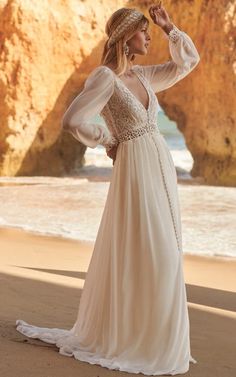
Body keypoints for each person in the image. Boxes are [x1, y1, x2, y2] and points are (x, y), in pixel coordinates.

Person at [16, 1, 200, 375]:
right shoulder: (105, 78)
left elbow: (187, 62)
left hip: (161, 167)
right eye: (143, 29)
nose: (148, 35)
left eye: (149, 30)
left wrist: (168, 27)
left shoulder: (148, 76)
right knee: (154, 253)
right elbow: (73, 120)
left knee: (167, 251)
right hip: (135, 170)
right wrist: (108, 138)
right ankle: (140, 341)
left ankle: (154, 339)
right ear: (123, 36)